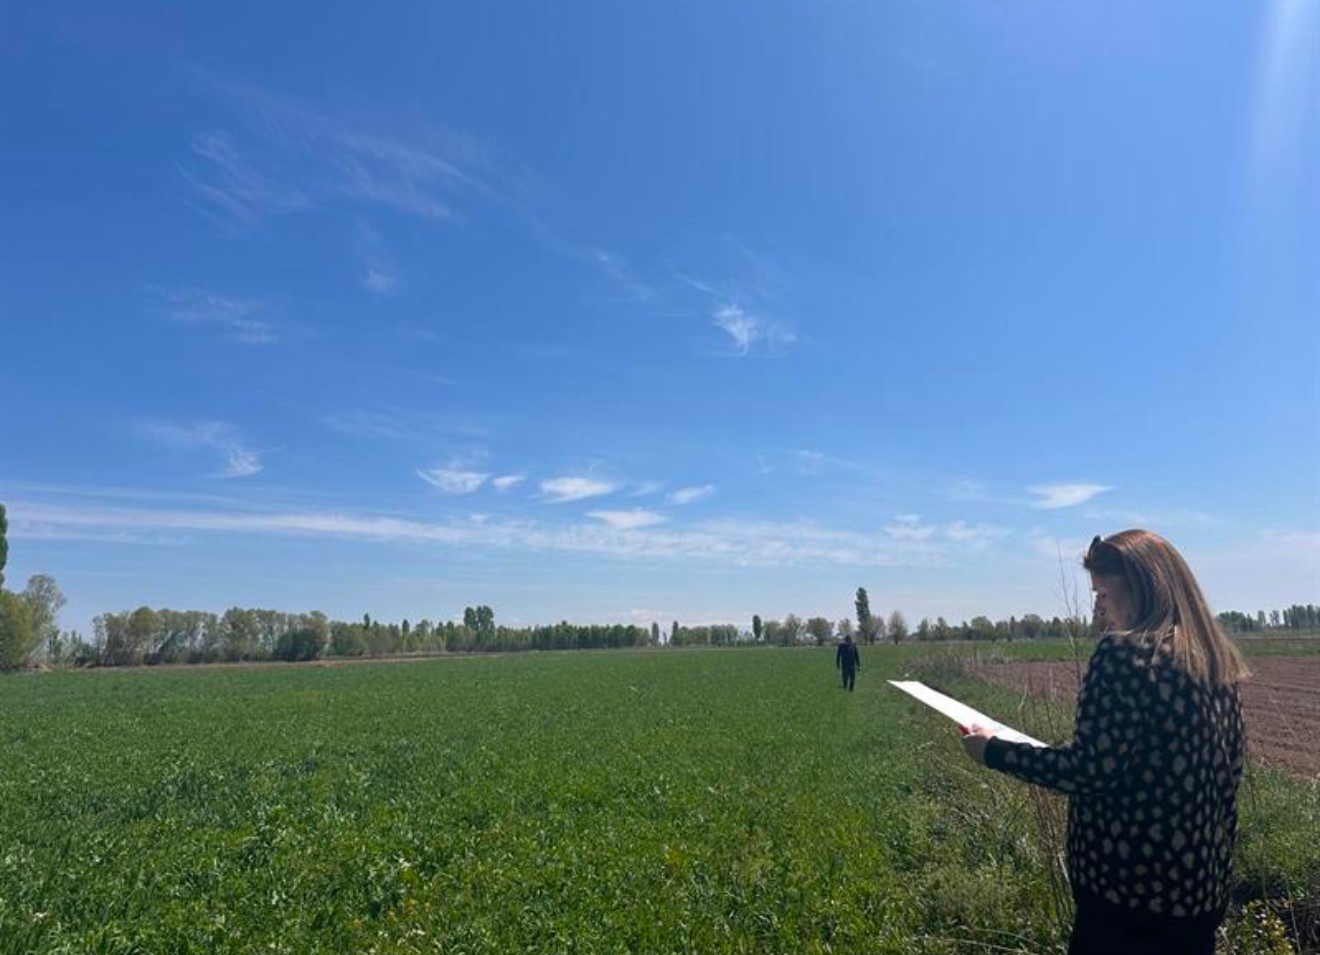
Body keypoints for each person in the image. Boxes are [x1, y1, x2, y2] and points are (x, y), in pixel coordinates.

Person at [959, 530, 1248, 955]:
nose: (1100, 613)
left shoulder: (1122, 656)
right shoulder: (1213, 663)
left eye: (1104, 596)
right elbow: (1227, 780)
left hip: (1126, 900)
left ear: (1141, 589)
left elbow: (1089, 772)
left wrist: (994, 751)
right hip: (1198, 900)